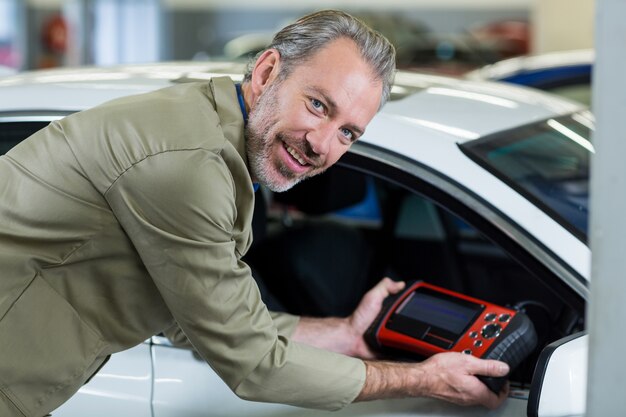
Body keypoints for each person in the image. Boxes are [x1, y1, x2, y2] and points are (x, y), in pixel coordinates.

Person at [0, 10, 509, 417]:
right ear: (267, 72)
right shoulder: (189, 166)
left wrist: (346, 335)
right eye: (317, 105)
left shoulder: (223, 140)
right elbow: (254, 364)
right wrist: (421, 380)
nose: (322, 146)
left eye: (348, 133)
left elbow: (199, 318)